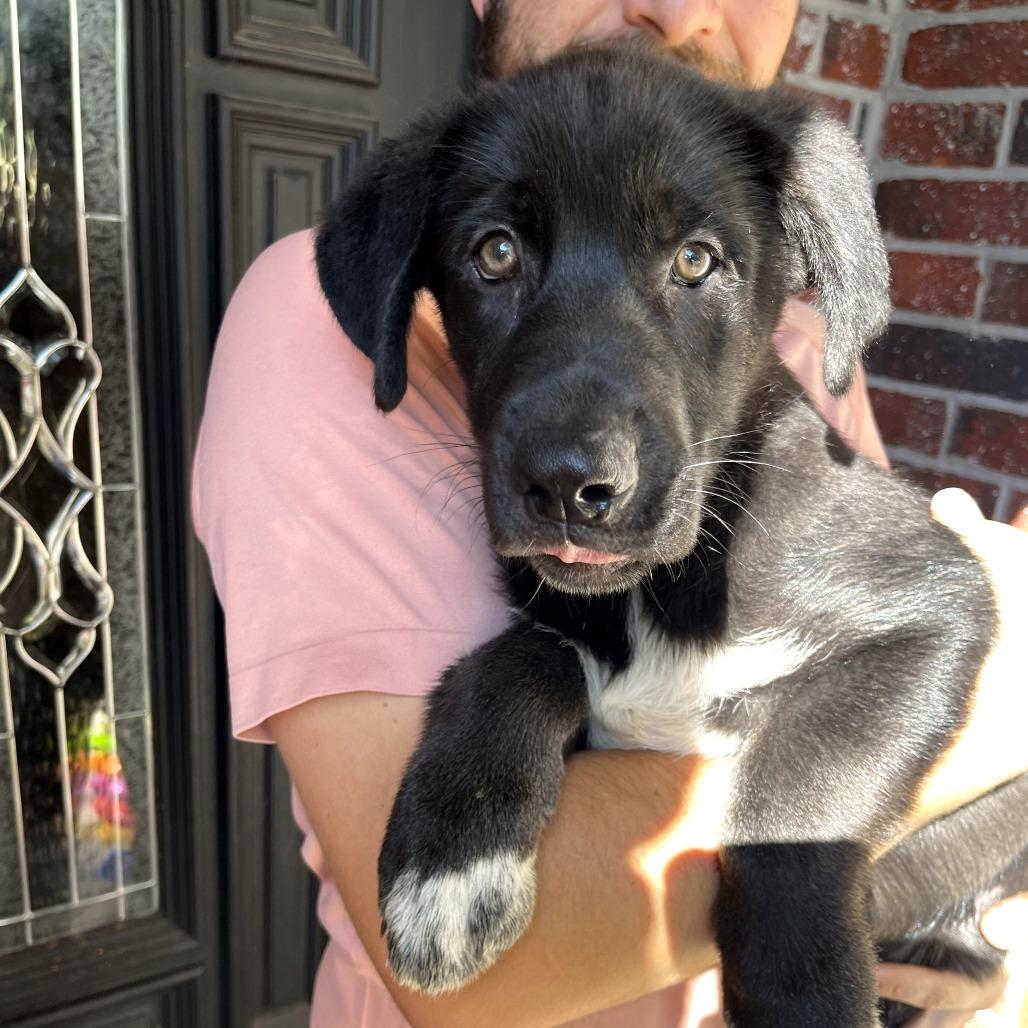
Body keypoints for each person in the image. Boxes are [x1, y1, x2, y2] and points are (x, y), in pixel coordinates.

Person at [191, 2, 1028, 1025]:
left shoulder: (794, 356)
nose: (674, 7)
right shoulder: (306, 328)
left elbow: (903, 645)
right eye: (496, 257)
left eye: (693, 264)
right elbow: (473, 986)